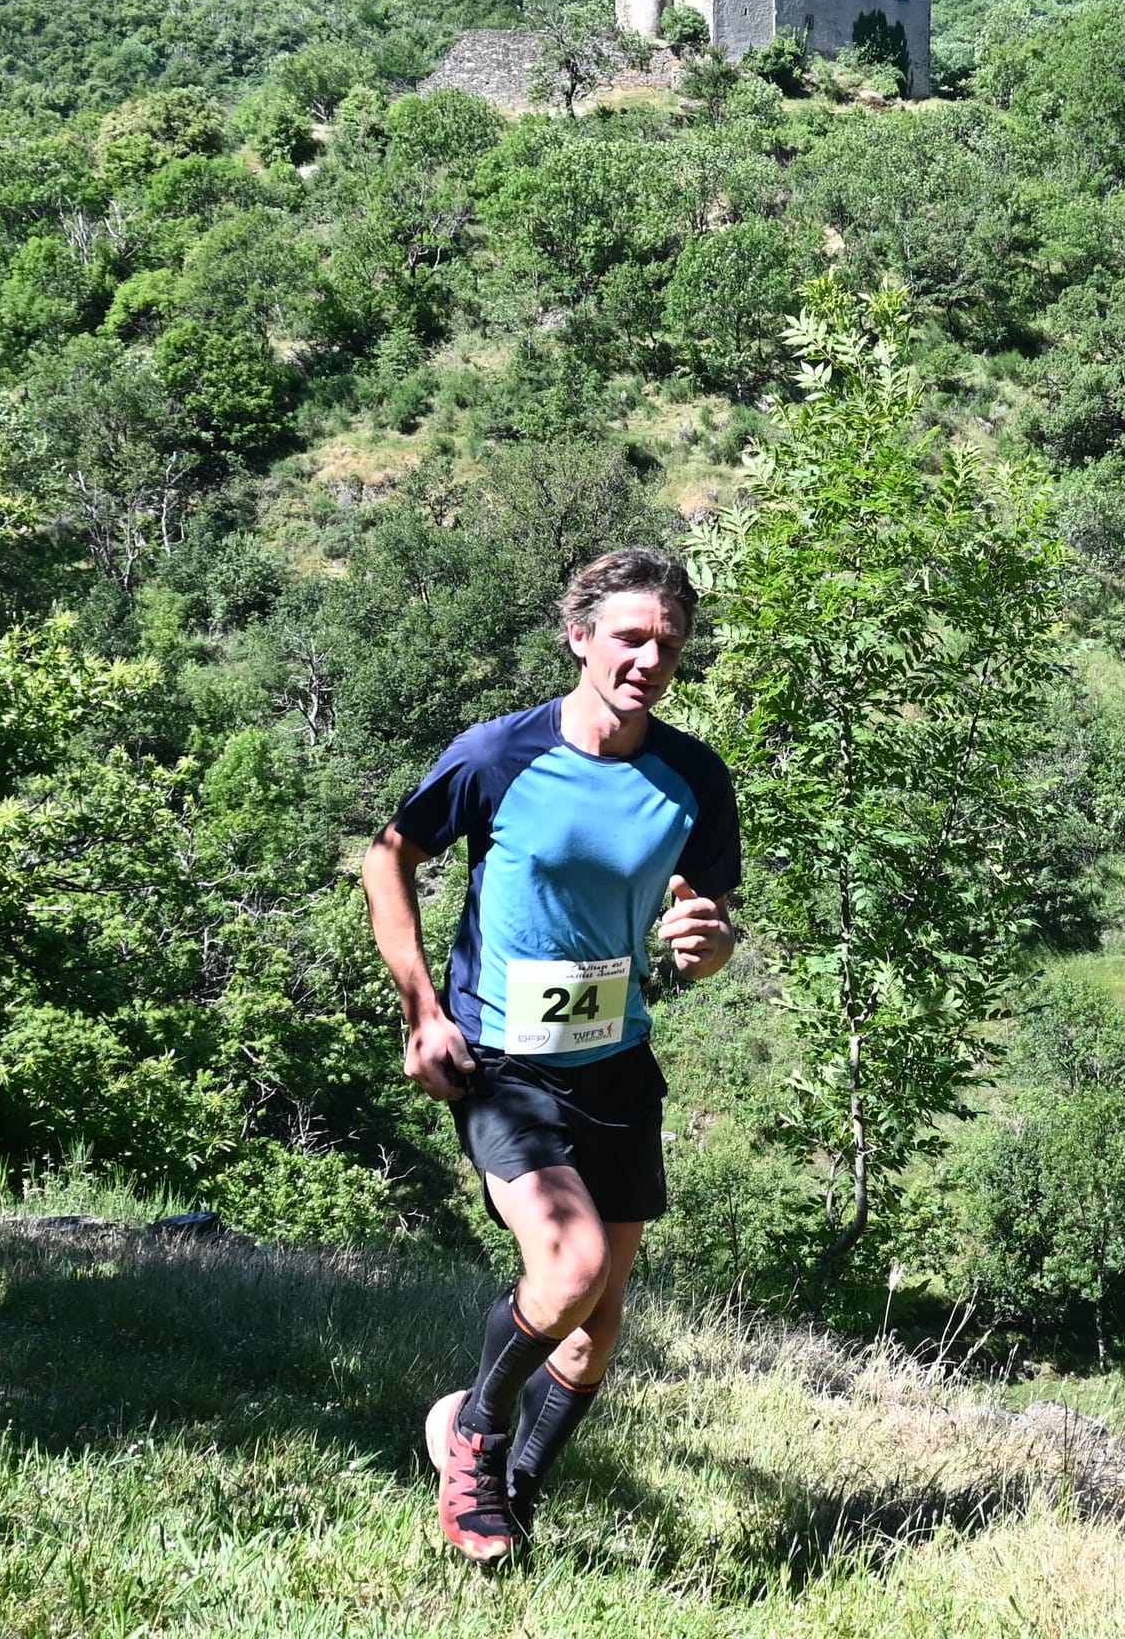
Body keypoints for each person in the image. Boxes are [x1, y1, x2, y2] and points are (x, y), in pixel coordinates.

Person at [361, 547, 740, 1562]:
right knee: (565, 1264)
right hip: (501, 1058)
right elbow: (386, 855)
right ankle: (476, 1434)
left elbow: (703, 918)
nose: (649, 658)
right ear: (579, 637)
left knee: (596, 1323)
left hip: (615, 1059)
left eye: (668, 641)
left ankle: (512, 1494)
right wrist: (420, 1010)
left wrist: (706, 946)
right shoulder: (499, 754)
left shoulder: (693, 775)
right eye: (629, 635)